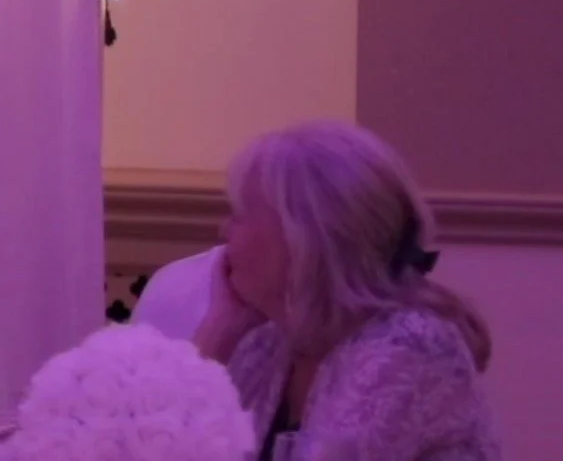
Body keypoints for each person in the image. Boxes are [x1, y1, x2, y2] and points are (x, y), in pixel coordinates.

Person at [195, 121, 499, 460]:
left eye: (240, 214)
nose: (224, 230)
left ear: (301, 237)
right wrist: (217, 335)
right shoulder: (266, 344)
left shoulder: (411, 345)